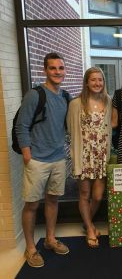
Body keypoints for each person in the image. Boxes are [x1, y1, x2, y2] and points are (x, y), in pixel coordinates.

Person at [16, 52, 70, 268]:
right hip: (37, 159)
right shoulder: (35, 95)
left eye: (61, 68)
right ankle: (31, 248)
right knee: (31, 204)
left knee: (53, 200)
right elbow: (22, 125)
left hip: (58, 158)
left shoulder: (65, 96)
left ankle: (50, 239)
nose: (58, 72)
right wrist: (27, 154)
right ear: (45, 70)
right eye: (53, 68)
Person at [67, 67, 112, 248]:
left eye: (100, 80)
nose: (97, 83)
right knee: (85, 194)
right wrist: (76, 155)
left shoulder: (108, 101)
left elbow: (110, 125)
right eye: (93, 80)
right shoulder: (76, 103)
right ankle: (90, 228)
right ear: (86, 82)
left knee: (98, 196)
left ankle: (88, 223)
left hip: (101, 156)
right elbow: (71, 131)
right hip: (84, 156)